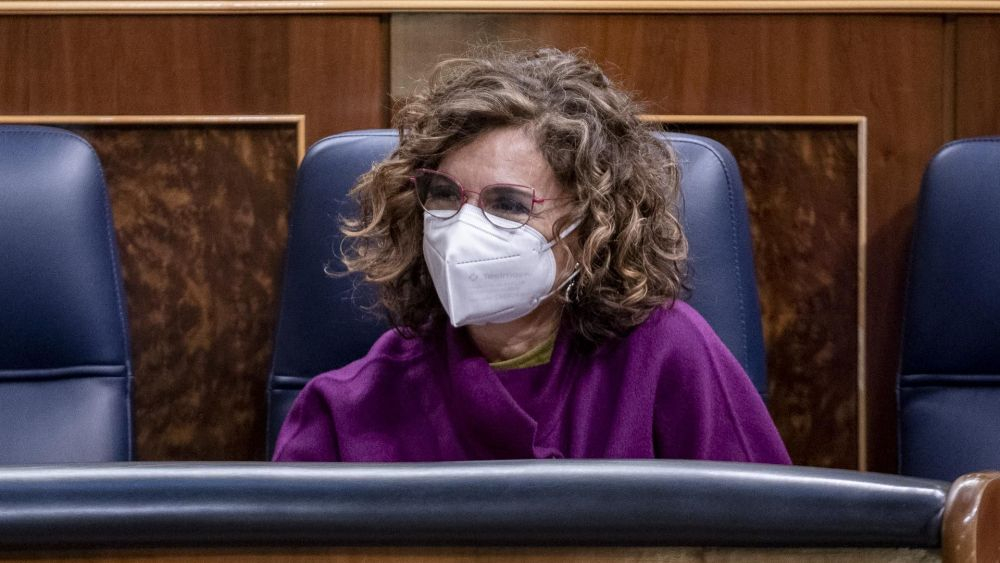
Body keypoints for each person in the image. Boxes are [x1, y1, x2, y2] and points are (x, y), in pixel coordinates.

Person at [272, 47, 790, 464]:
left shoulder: (667, 353)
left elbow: (772, 534)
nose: (462, 228)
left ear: (592, 228)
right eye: (444, 195)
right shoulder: (348, 408)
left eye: (508, 204)